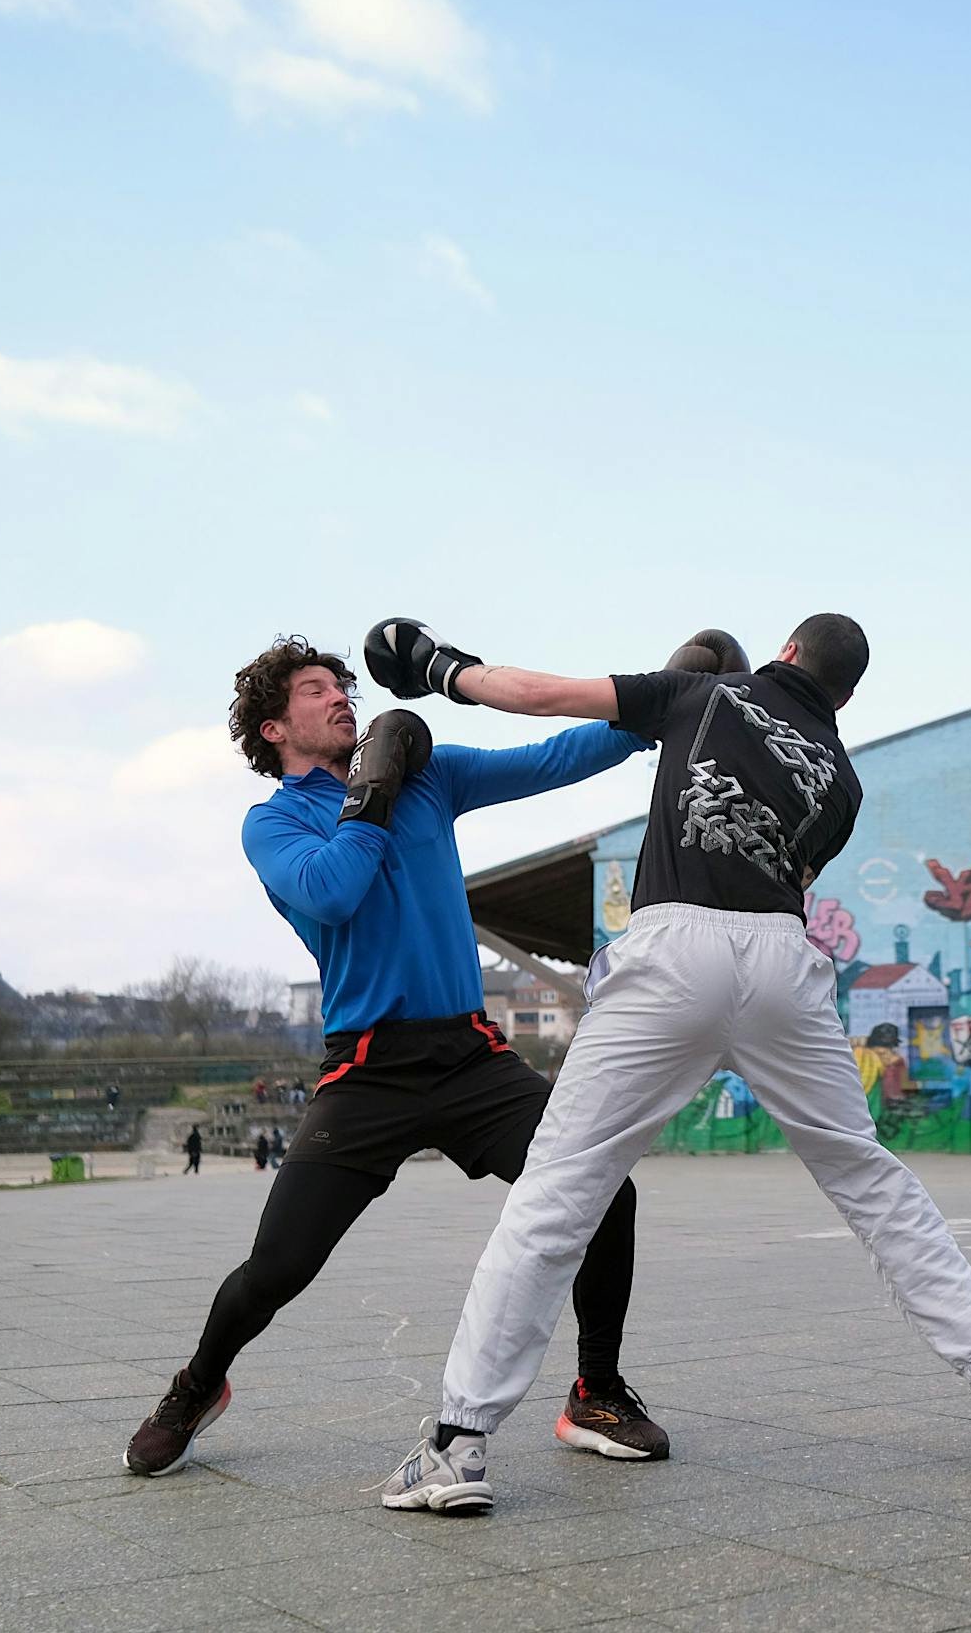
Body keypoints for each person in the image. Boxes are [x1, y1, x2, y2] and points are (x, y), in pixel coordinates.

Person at [369, 614, 971, 1517]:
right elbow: (784, 876)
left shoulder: (703, 691)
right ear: (843, 695)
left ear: (789, 652)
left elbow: (534, 694)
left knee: (558, 1191)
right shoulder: (842, 782)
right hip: (781, 960)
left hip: (674, 948)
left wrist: (435, 667)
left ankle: (457, 1446)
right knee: (867, 1177)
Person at [123, 634, 669, 1484]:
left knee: (605, 1192)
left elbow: (557, 753)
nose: (341, 696)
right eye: (316, 690)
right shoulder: (273, 823)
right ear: (274, 728)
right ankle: (196, 1387)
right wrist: (372, 792)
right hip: (367, 1071)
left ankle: (596, 1392)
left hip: (471, 1056)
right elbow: (333, 893)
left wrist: (654, 705)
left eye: (344, 684)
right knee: (277, 1268)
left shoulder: (433, 776)